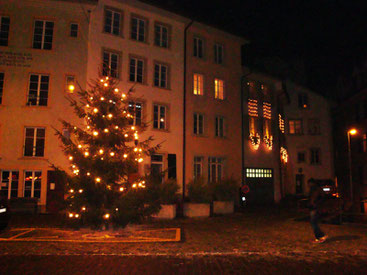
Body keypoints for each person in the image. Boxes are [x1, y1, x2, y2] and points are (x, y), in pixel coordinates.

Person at [308, 178, 328, 243]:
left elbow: (316, 198)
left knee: (313, 222)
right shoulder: (314, 189)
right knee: (313, 222)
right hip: (314, 207)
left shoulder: (315, 189)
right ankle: (319, 236)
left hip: (315, 207)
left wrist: (315, 204)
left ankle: (320, 236)